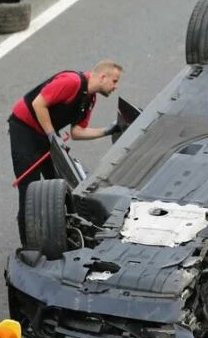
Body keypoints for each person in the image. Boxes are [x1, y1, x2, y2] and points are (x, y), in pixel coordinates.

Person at [8, 59, 123, 245]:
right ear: (102, 77)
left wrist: (108, 130)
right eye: (115, 81)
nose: (116, 87)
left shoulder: (89, 99)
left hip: (46, 132)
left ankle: (63, 231)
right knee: (29, 190)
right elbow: (39, 104)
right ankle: (28, 247)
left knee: (61, 183)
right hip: (24, 130)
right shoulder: (72, 81)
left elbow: (77, 133)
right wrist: (52, 135)